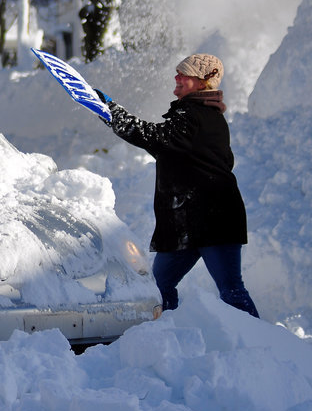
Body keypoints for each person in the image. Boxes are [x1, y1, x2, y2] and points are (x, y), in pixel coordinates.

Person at [96, 53, 259, 317]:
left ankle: (261, 347)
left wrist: (112, 112)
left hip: (214, 219)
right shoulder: (194, 115)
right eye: (177, 72)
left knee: (231, 290)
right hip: (187, 221)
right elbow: (166, 147)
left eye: (184, 74)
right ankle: (169, 338)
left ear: (203, 81)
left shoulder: (198, 115)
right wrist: (112, 113)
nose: (177, 77)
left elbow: (155, 138)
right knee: (158, 287)